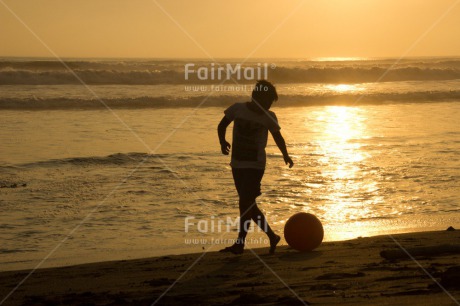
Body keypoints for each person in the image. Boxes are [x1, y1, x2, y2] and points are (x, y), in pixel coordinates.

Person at [217, 80, 294, 255]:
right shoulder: (238, 109)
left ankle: (240, 243)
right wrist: (222, 142)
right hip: (237, 163)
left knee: (245, 203)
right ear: (254, 97)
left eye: (269, 104)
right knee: (248, 204)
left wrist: (285, 154)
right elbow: (222, 125)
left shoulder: (269, 116)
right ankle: (272, 236)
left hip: (255, 165)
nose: (267, 107)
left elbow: (278, 137)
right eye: (265, 102)